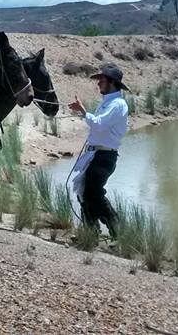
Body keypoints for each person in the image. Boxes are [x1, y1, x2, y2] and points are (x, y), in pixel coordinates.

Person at [67, 64, 130, 236]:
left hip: (104, 156)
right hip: (97, 154)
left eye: (102, 80)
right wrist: (84, 113)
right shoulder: (109, 103)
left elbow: (99, 124)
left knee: (93, 194)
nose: (98, 83)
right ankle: (91, 233)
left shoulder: (117, 104)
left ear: (112, 82)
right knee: (85, 193)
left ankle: (118, 233)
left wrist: (83, 111)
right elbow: (98, 125)